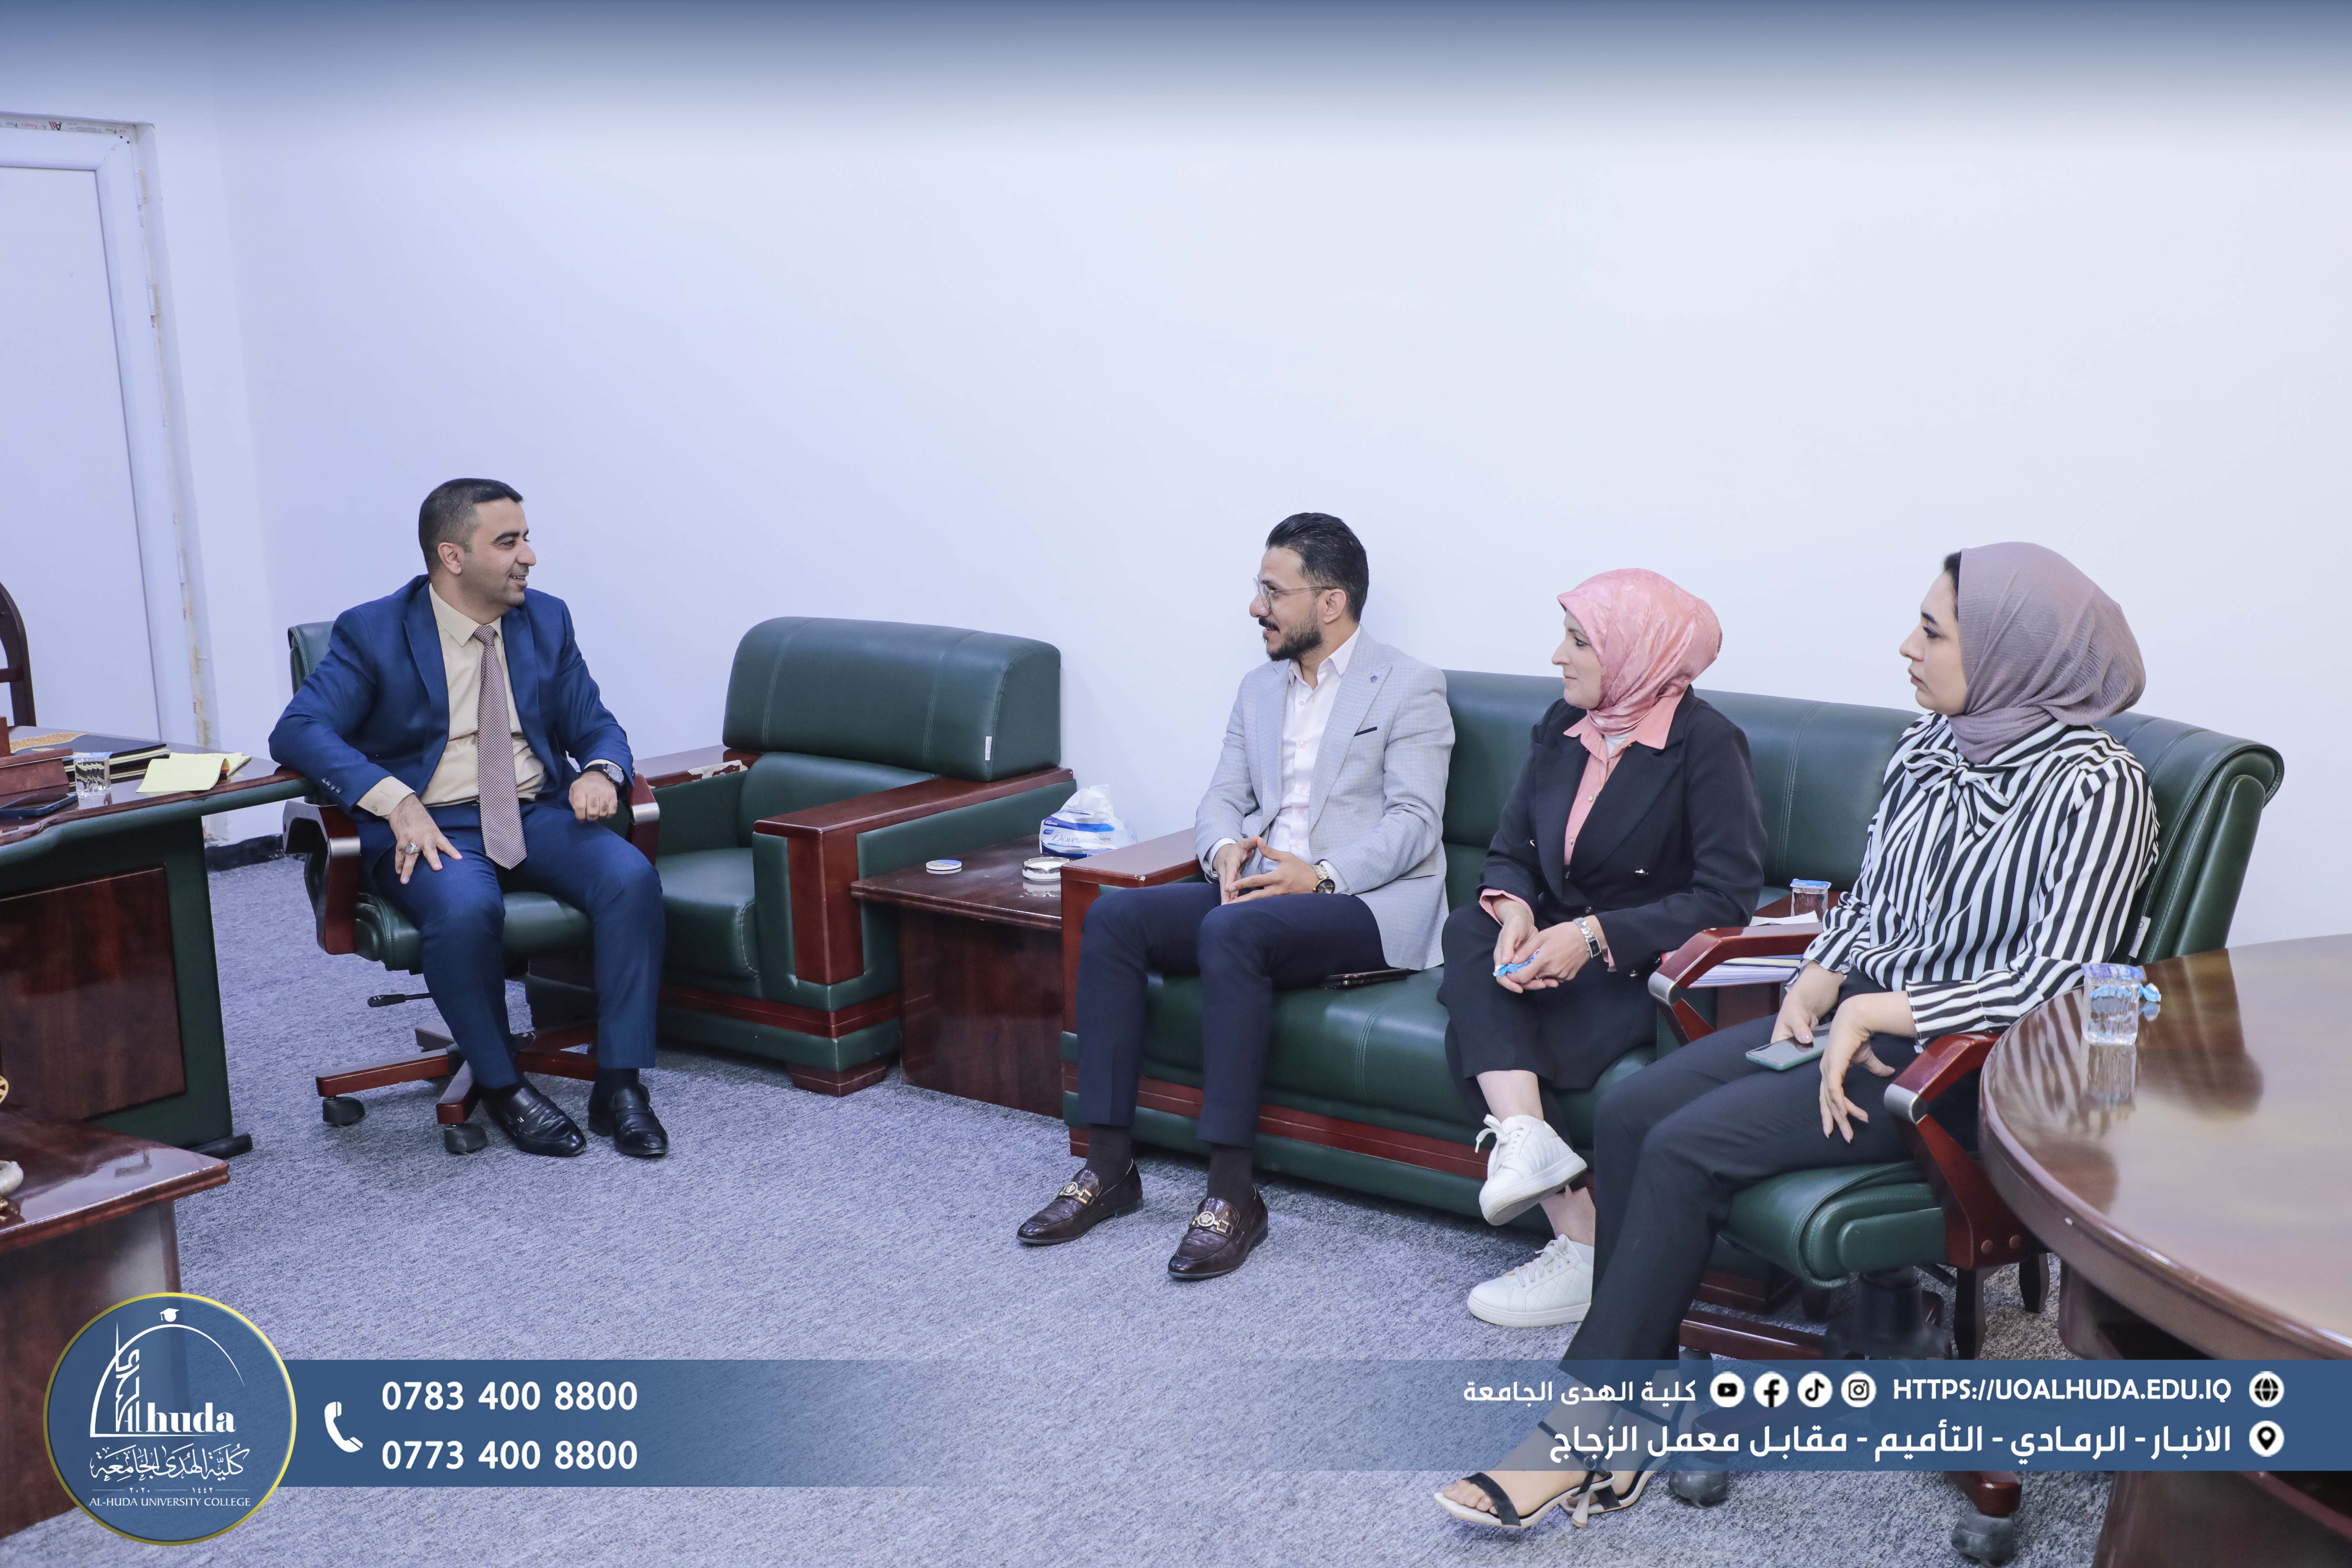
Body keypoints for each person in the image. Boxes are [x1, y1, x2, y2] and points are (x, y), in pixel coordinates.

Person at [1437, 541, 2158, 1530]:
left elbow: (2061, 978)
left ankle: (1588, 1431)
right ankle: (1634, 1396)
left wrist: (1873, 1011)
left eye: (1933, 631)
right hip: (1864, 1020)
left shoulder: (2097, 787)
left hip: (1967, 1063)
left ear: (2009, 650)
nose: (1907, 647)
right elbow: (1874, 905)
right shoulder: (1931, 747)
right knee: (1635, 1107)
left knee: (1686, 1147)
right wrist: (1823, 974)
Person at [1017, 513, 1454, 1279]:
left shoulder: (1410, 686)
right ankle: (1109, 1167)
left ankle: (1231, 1192)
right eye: (1260, 589)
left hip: (1360, 901)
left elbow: (1414, 823)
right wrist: (1223, 852)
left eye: (1273, 592)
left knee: (1231, 933)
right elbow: (1222, 796)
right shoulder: (1259, 689)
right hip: (1262, 890)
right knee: (1114, 919)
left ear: (1331, 602)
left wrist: (1318, 874)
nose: (1257, 607)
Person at [271, 478, 669, 1160]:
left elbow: (594, 723)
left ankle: (621, 1082)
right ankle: (505, 1084)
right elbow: (299, 729)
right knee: (464, 909)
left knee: (630, 879)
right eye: (508, 542)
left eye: (527, 538)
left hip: (535, 810)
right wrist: (395, 801)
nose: (529, 557)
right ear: (452, 557)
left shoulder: (547, 619)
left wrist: (602, 771)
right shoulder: (374, 631)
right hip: (433, 820)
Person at [1438, 569, 1763, 1331]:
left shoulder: (1707, 744)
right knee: (1470, 930)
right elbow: (1509, 849)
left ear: (1635, 652)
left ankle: (1575, 1232)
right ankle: (1556, 1191)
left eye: (1579, 641)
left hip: (1639, 966)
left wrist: (1590, 938)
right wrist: (1516, 911)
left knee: (1482, 1029)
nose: (1559, 656)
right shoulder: (1563, 724)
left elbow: (1727, 898)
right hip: (1546, 941)